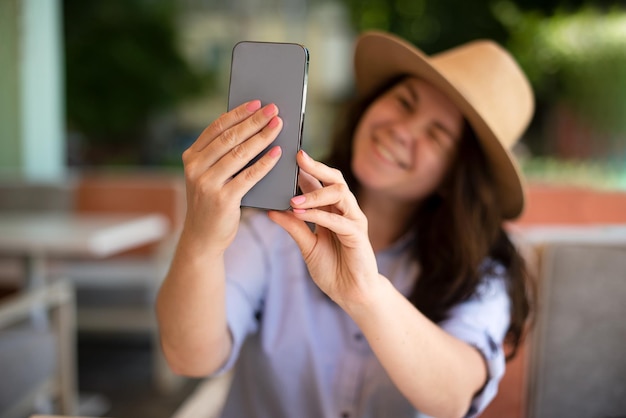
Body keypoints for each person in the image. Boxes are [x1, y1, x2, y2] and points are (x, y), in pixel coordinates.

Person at [156, 30, 535, 418]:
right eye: (404, 102)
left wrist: (365, 293)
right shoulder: (272, 230)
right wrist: (201, 241)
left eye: (436, 135)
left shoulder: (484, 270)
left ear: (455, 175)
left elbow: (453, 398)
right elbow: (190, 359)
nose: (402, 131)